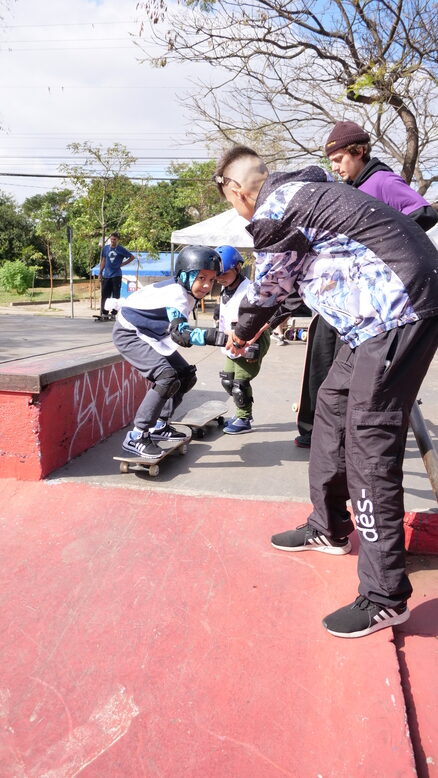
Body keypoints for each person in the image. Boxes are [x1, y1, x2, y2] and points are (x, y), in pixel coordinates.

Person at [213, 144, 438, 638]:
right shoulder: (308, 197)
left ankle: (384, 595)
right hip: (372, 318)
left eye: (231, 201)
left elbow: (269, 287)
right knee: (332, 405)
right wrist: (262, 321)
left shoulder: (277, 207)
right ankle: (330, 527)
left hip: (395, 310)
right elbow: (291, 286)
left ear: (236, 190)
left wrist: (242, 330)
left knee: (368, 441)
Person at [295, 121, 438, 449]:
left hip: (378, 301)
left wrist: (382, 242)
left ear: (359, 152)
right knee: (320, 354)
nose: (335, 167)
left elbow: (425, 213)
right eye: (331, 162)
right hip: (343, 294)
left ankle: (343, 435)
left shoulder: (382, 180)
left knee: (349, 369)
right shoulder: (352, 188)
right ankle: (314, 429)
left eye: (339, 159)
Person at [112, 245, 227, 459]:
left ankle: (159, 424)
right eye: (201, 278)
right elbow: (181, 335)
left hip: (151, 334)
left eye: (212, 280)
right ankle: (137, 435)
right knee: (166, 377)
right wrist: (220, 338)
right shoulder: (177, 294)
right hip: (129, 333)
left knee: (185, 375)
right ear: (184, 275)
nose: (206, 285)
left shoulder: (186, 290)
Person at [215, 244, 271, 434]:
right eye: (217, 274)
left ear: (238, 268)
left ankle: (244, 418)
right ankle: (241, 413)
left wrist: (252, 337)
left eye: (224, 273)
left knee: (240, 383)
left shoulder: (251, 289)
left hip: (251, 340)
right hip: (232, 340)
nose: (220, 278)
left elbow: (270, 315)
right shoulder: (225, 289)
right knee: (228, 380)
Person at [98, 232, 135, 318]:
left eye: (114, 239)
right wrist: (100, 272)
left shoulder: (120, 249)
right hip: (107, 275)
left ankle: (114, 313)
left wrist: (123, 264)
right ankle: (104, 312)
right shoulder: (105, 248)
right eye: (111, 239)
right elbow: (103, 260)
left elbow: (132, 257)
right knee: (105, 294)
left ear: (117, 240)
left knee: (115, 295)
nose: (112, 241)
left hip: (116, 275)